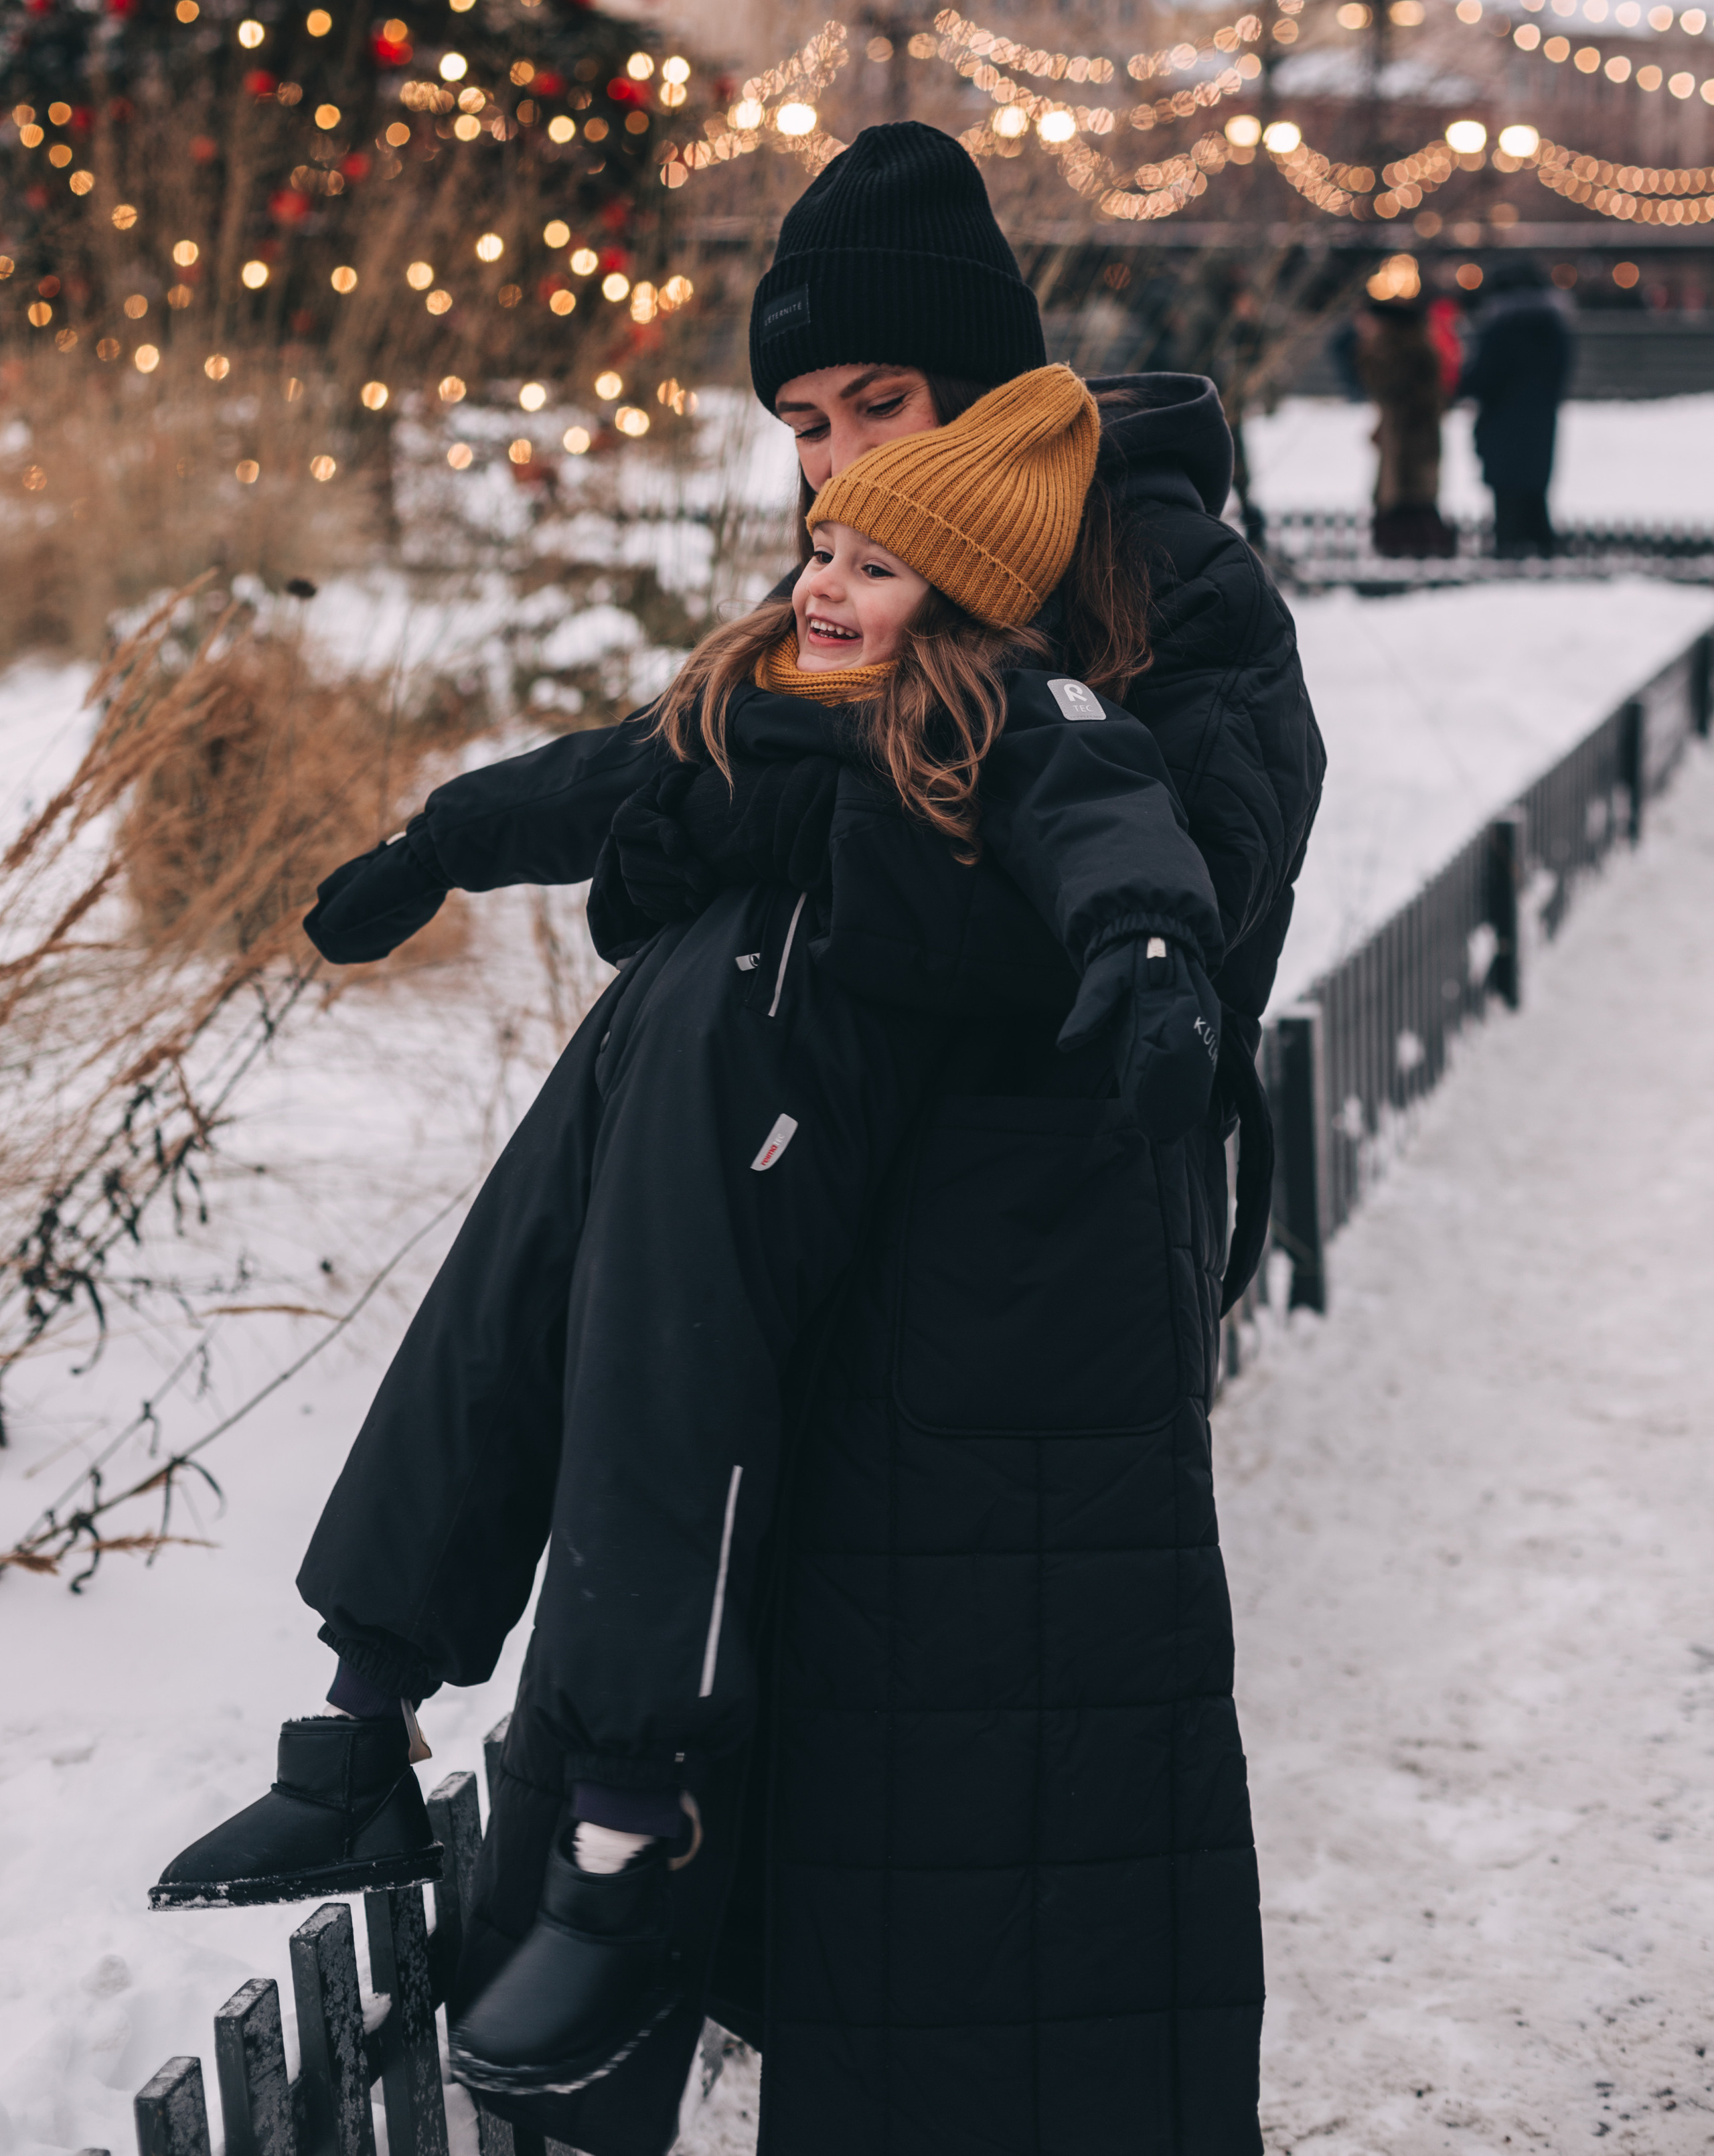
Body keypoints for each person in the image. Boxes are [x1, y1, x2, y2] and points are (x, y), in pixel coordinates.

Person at [149, 125, 1324, 2155]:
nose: (838, 465)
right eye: (802, 423)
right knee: (651, 1062)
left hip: (1017, 1261)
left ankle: (552, 1814)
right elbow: (703, 767)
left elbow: (1181, 900)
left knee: (980, 1887)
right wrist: (631, 823)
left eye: (881, 405)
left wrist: (832, 811)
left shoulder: (1172, 591)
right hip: (825, 1226)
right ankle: (415, 1720)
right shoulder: (864, 595)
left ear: (989, 390)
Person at [1460, 255, 1575, 556]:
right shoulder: (1553, 327)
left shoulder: (1500, 328)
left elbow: (1481, 377)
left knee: (1507, 489)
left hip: (1502, 422)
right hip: (1540, 421)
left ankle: (1509, 546)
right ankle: (1541, 544)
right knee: (1535, 488)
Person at [1354, 294, 1457, 557]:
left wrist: (1370, 348)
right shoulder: (1407, 346)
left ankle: (1417, 552)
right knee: (1405, 499)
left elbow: (1386, 384)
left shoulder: (1405, 350)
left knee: (1410, 500)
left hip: (1411, 440)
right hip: (1403, 438)